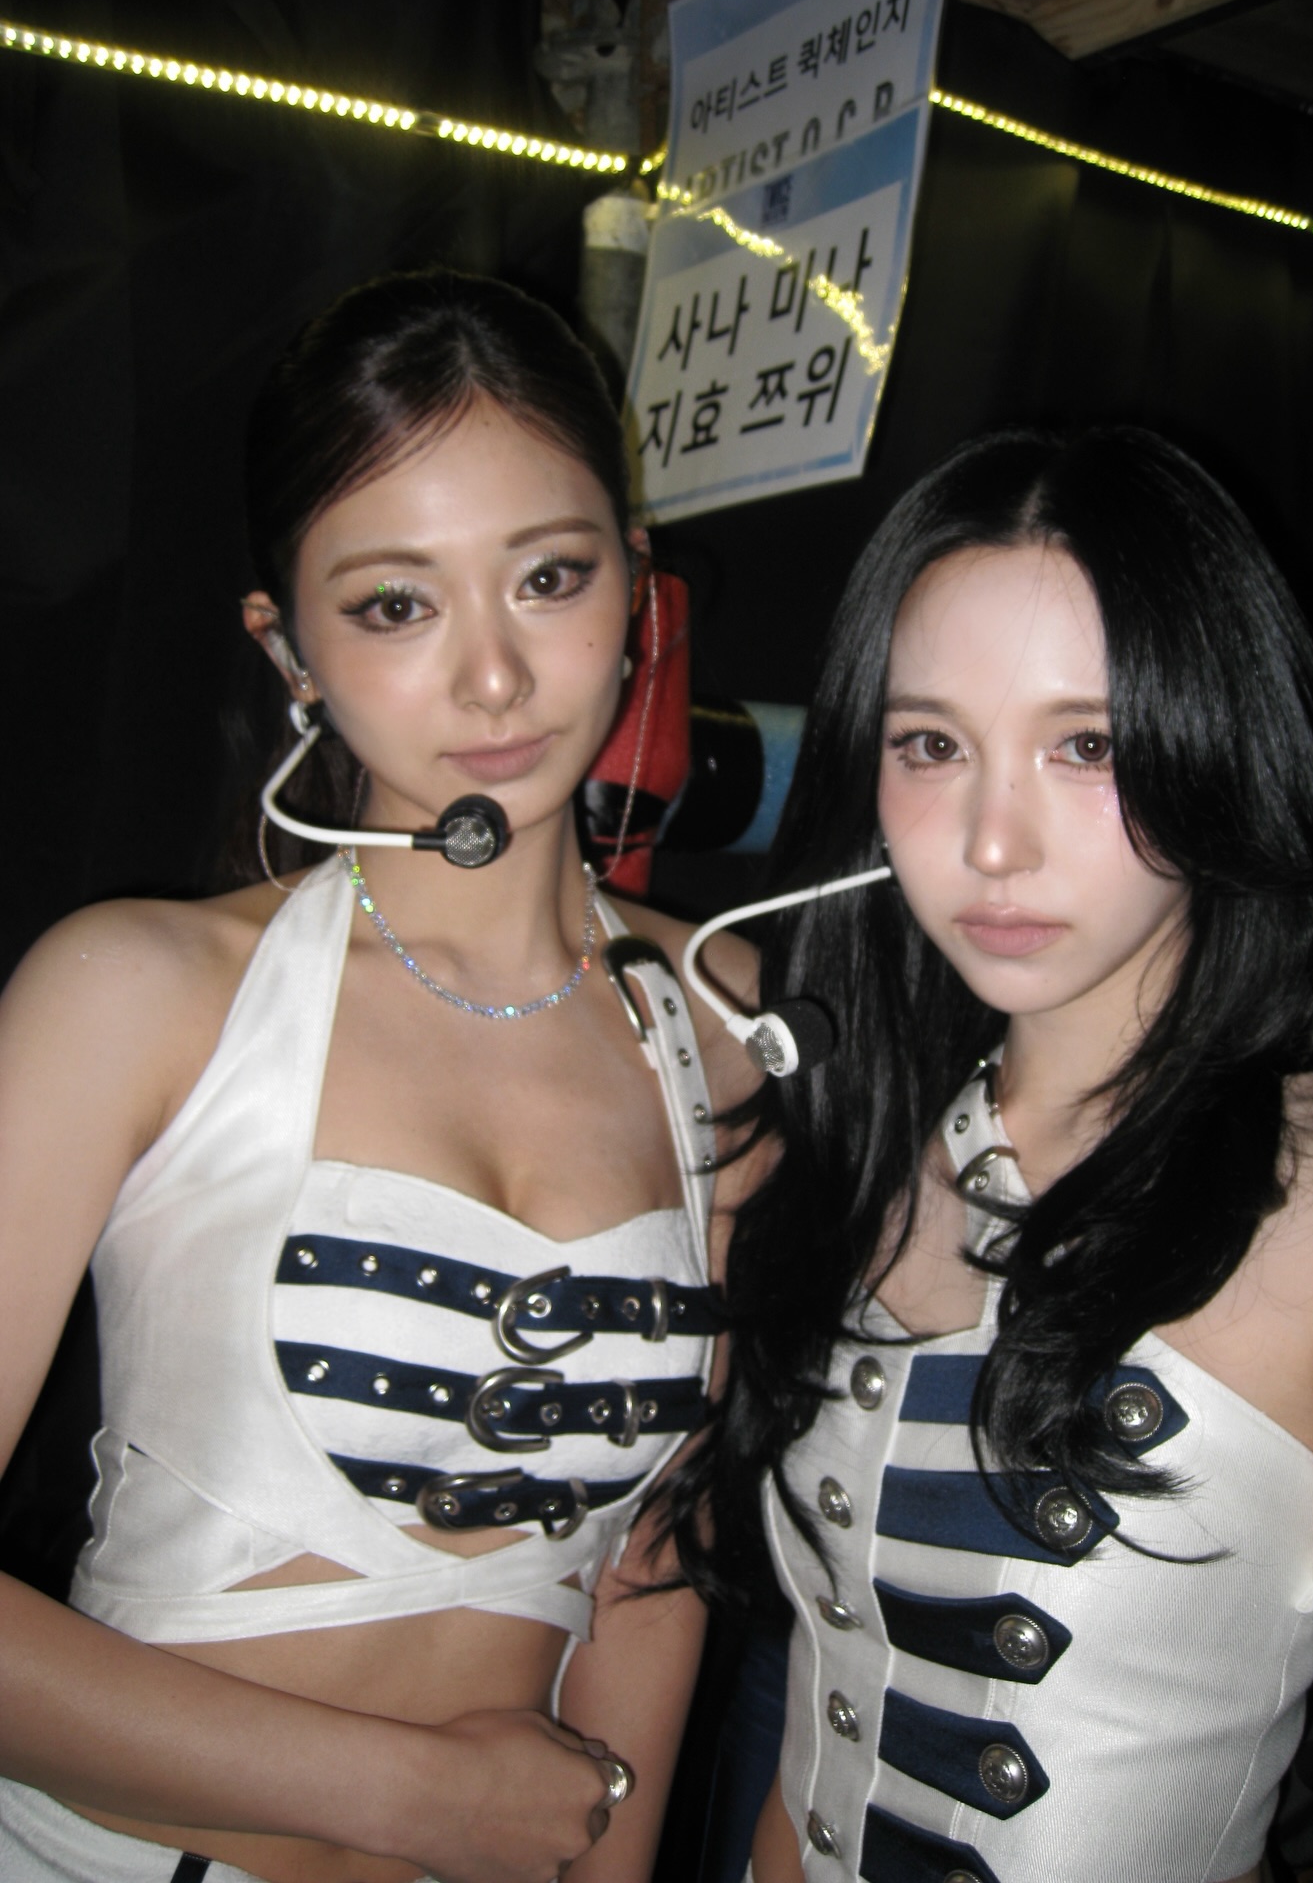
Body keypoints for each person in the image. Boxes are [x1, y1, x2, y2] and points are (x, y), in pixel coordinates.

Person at [0, 268, 753, 1883]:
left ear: (638, 589)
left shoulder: (722, 1020)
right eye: (397, 605)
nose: (494, 678)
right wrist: (404, 1794)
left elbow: (655, 1558)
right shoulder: (137, 996)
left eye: (548, 578)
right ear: (288, 649)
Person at [688, 427, 1313, 1882]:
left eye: (1088, 746)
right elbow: (807, 1691)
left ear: (1219, 745)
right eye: (931, 746)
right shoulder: (851, 1154)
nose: (992, 843)